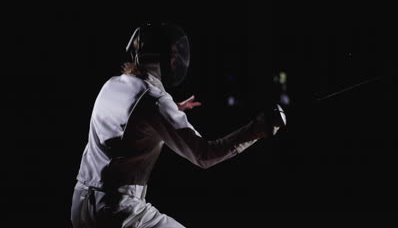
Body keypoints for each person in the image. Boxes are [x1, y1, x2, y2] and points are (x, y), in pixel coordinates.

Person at [70, 22, 286, 228]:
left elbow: (131, 119)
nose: (176, 61)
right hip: (118, 212)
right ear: (158, 57)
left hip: (80, 206)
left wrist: (171, 109)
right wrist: (258, 129)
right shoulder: (154, 101)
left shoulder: (112, 85)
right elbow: (204, 155)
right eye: (171, 54)